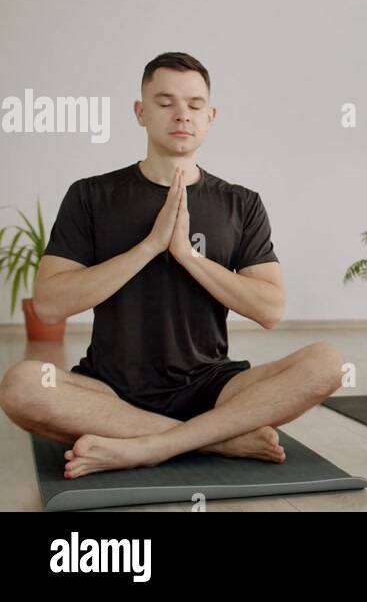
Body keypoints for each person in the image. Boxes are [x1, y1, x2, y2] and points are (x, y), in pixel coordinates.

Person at [0, 52, 345, 479]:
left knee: (328, 362)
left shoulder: (241, 203)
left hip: (213, 386)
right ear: (140, 113)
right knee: (22, 385)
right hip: (110, 391)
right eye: (165, 103)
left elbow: (270, 310)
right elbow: (50, 304)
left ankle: (152, 446)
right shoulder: (91, 195)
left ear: (210, 116)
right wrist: (149, 247)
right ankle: (216, 440)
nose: (181, 114)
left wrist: (187, 254)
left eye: (195, 104)